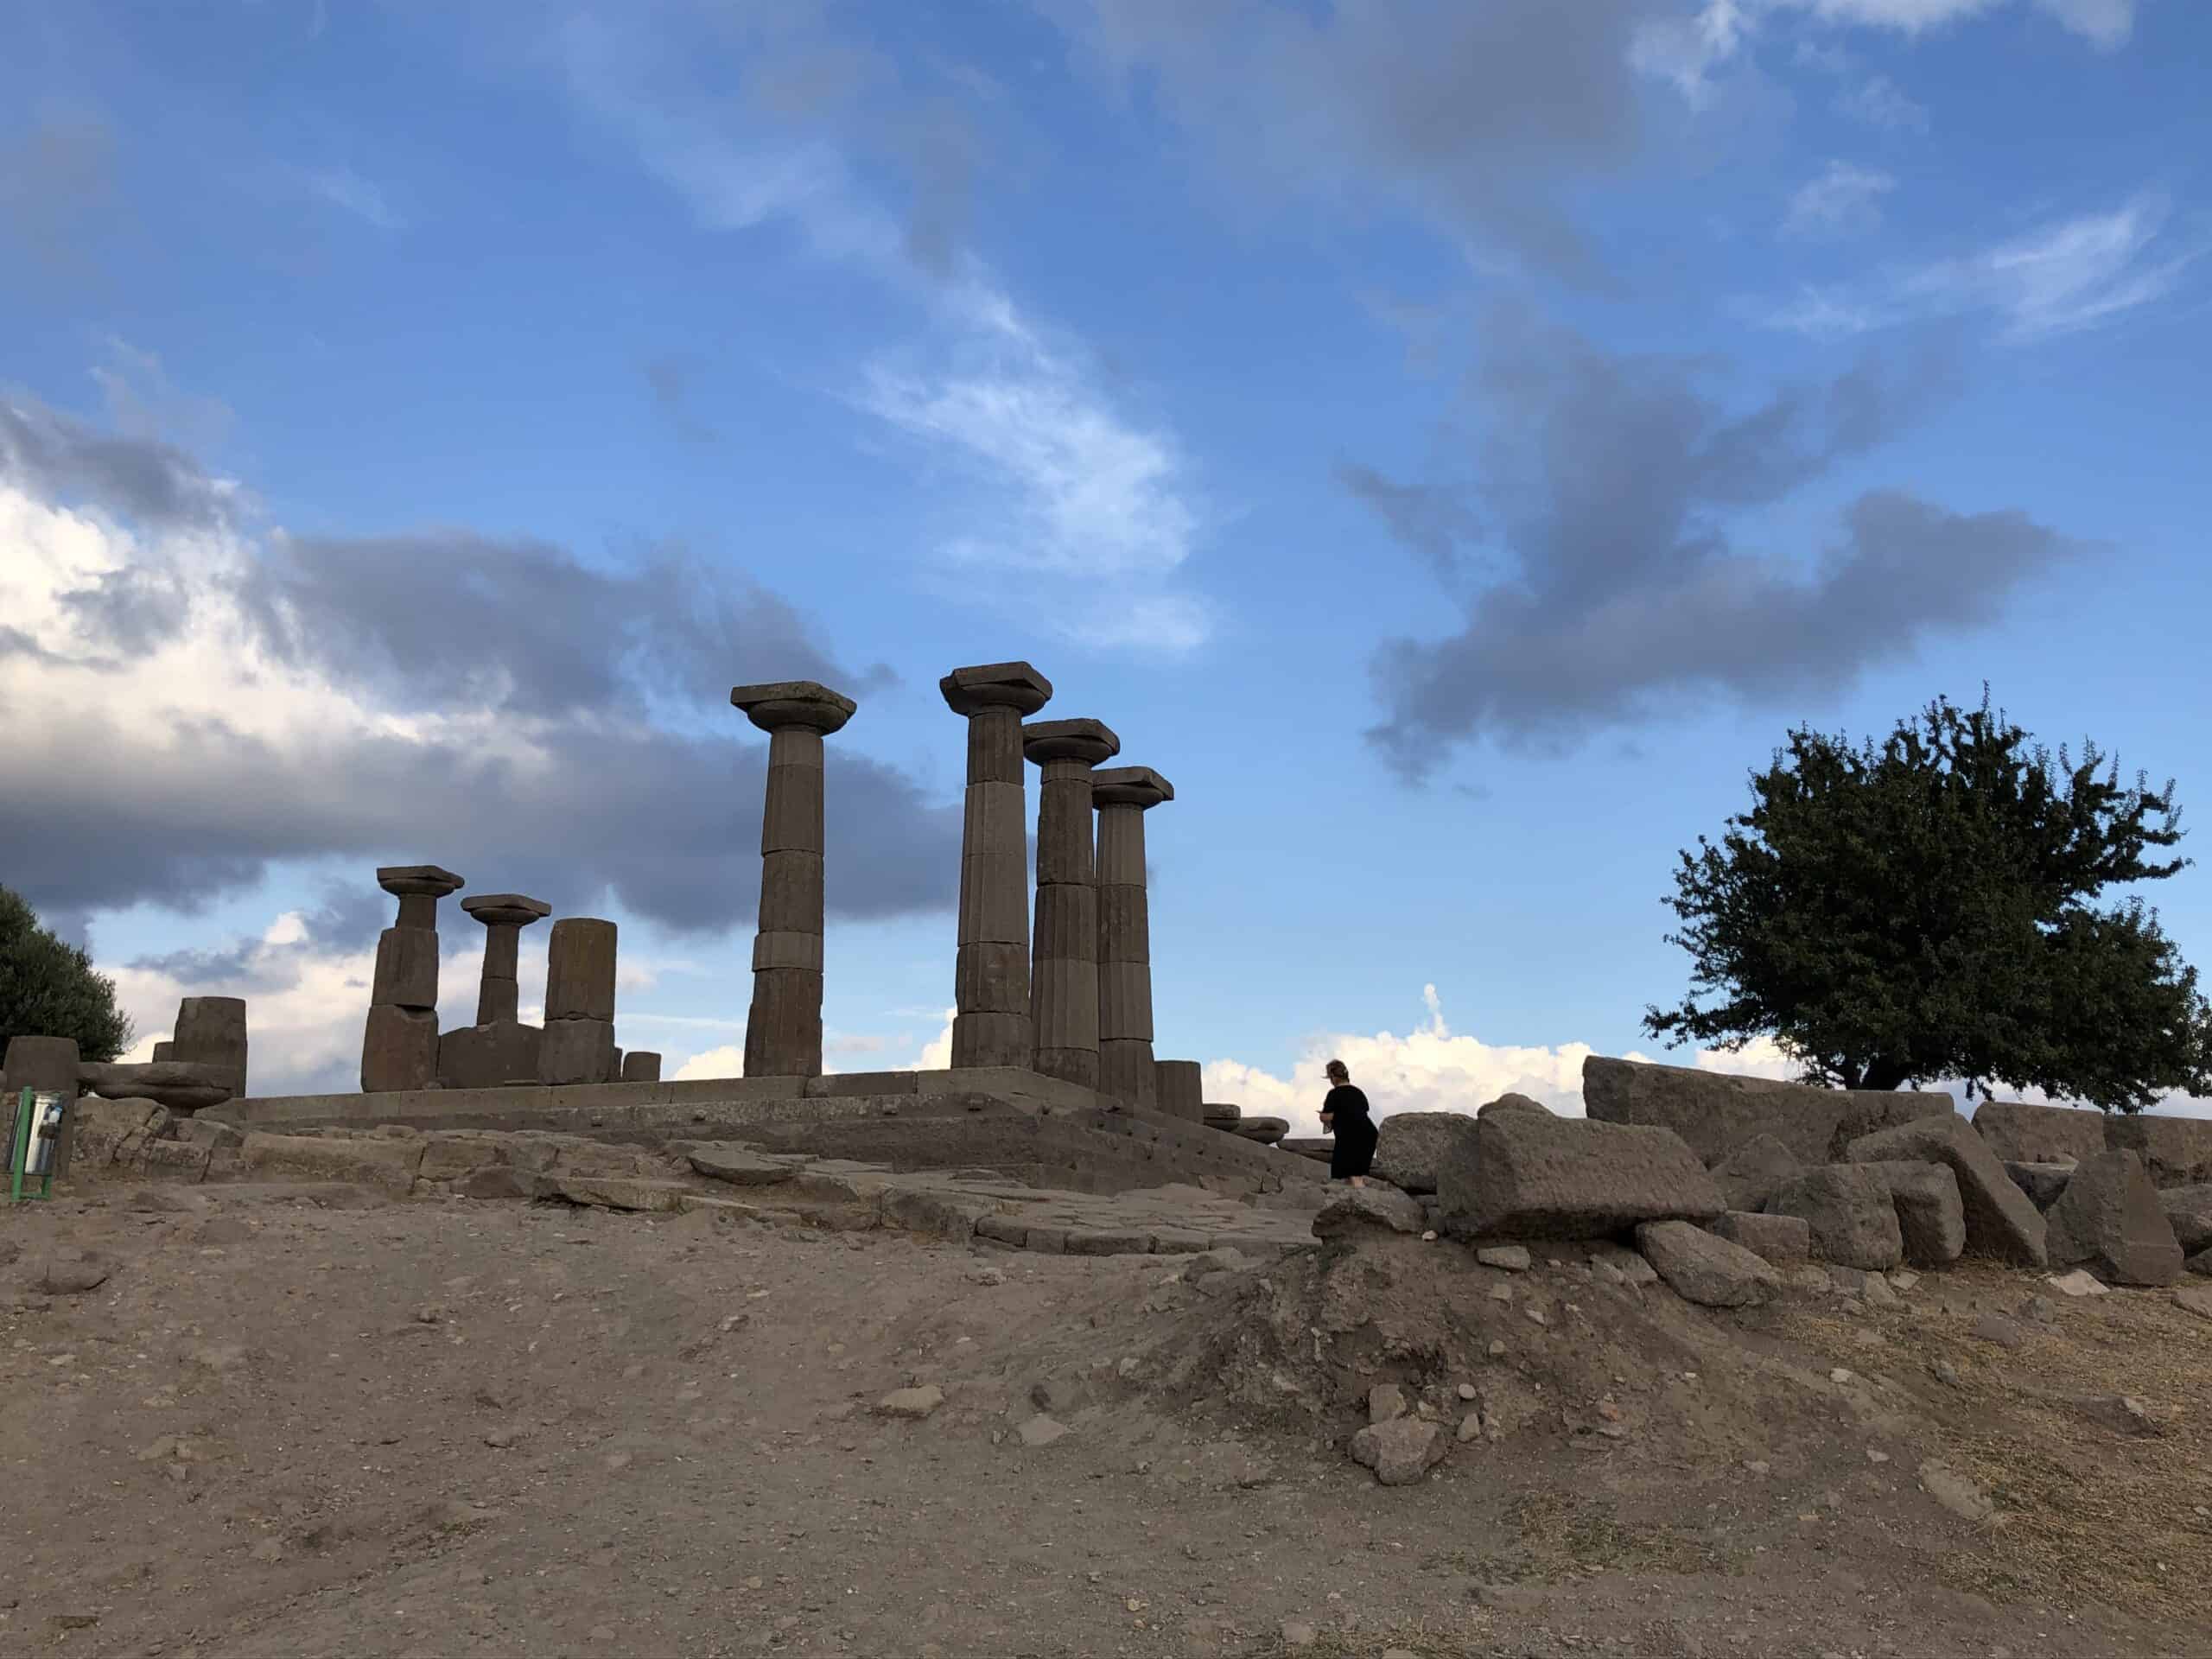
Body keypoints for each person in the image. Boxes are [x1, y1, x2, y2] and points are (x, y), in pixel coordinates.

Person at [1317, 1058, 1376, 1185]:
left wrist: (1323, 1116)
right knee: (1356, 1174)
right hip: (1369, 1134)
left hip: (1350, 1136)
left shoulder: (1334, 1094)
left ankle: (1362, 1203)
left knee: (1349, 1176)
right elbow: (1360, 1111)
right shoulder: (1358, 1092)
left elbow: (1326, 1117)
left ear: (1332, 1076)